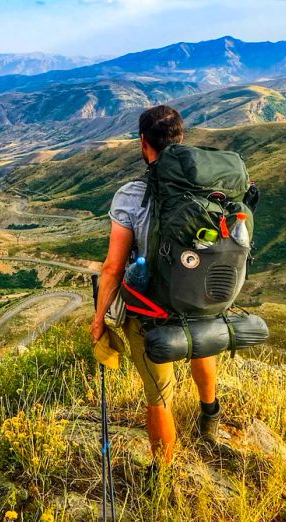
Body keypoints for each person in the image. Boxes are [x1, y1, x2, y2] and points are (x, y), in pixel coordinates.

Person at [89, 105, 221, 464]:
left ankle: (162, 475)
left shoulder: (130, 196)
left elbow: (114, 267)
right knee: (201, 349)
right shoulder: (210, 187)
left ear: (143, 143)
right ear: (181, 139)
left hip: (153, 311)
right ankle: (210, 416)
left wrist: (100, 318)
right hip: (200, 297)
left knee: (159, 396)